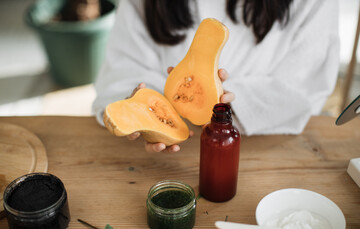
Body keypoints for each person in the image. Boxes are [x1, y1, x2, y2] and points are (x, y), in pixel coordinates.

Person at [93, 0, 339, 152]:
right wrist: (144, 110)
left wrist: (231, 100)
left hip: (267, 148)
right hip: (157, 160)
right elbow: (123, 67)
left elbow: (304, 84)